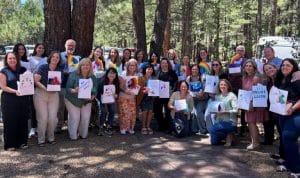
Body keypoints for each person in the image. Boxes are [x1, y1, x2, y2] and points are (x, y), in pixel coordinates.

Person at [274, 58, 300, 177]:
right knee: (284, 139)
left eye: (288, 65)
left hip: (295, 113)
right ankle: (289, 163)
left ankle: (297, 169)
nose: (284, 67)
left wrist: (293, 108)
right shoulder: (282, 80)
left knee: (289, 137)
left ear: (294, 67)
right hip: (282, 113)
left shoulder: (296, 79)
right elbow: (281, 97)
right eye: (283, 65)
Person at [0, 52, 30, 151]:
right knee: (10, 121)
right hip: (9, 100)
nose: (12, 60)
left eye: (14, 58)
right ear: (6, 60)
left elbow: (29, 81)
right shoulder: (3, 71)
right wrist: (15, 91)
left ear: (17, 60)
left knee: (22, 120)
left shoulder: (23, 70)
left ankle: (22, 142)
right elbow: (3, 87)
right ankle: (10, 144)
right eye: (10, 58)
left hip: (23, 99)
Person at [64, 58, 97, 140]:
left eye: (87, 65)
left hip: (86, 100)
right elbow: (68, 88)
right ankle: (73, 135)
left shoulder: (92, 77)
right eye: (83, 65)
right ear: (80, 66)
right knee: (75, 117)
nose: (85, 66)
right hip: (72, 99)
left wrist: (93, 96)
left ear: (90, 66)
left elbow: (95, 89)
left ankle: (83, 134)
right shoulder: (74, 74)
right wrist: (74, 90)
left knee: (85, 117)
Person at [33, 51, 62, 146]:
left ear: (59, 60)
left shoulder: (59, 69)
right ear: (50, 58)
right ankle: (41, 140)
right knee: (43, 118)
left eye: (57, 57)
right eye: (53, 56)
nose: (55, 58)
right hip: (41, 94)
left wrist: (59, 82)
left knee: (53, 118)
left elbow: (58, 83)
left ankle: (51, 138)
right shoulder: (43, 67)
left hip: (54, 95)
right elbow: (36, 81)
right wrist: (46, 88)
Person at [242, 59, 268, 150]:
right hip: (247, 103)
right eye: (246, 66)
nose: (248, 68)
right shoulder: (245, 77)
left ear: (254, 67)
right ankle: (255, 142)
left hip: (255, 104)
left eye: (250, 66)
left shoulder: (257, 77)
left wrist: (252, 104)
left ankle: (256, 143)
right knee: (250, 122)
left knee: (251, 122)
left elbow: (258, 91)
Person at [57, 39, 80, 133]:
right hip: (61, 85)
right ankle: (59, 125)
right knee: (60, 107)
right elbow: (55, 67)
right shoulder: (59, 56)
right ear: (65, 45)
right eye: (69, 45)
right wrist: (63, 72)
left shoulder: (77, 58)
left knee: (72, 106)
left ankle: (72, 126)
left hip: (73, 86)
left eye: (72, 46)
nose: (70, 47)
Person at [263, 62, 284, 163]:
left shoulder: (281, 80)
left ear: (275, 68)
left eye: (270, 68)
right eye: (266, 70)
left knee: (283, 134)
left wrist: (280, 107)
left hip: (282, 111)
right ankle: (282, 154)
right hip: (273, 111)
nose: (269, 70)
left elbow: (282, 96)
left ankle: (285, 157)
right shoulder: (269, 82)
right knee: (281, 133)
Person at [207, 79, 238, 146]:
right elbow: (216, 108)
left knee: (212, 129)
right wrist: (214, 111)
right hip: (219, 122)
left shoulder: (232, 96)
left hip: (230, 122)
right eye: (221, 85)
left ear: (228, 86)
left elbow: (236, 110)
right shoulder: (218, 96)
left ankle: (229, 134)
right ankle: (228, 135)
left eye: (224, 85)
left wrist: (225, 112)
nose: (223, 86)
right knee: (214, 143)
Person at [28, 43, 47, 138]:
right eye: (39, 47)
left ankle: (41, 127)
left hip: (43, 86)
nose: (41, 49)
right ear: (36, 48)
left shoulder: (46, 59)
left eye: (43, 48)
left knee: (42, 108)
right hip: (32, 86)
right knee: (33, 107)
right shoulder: (30, 59)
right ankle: (33, 127)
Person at [153, 58, 178, 132]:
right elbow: (154, 83)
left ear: (168, 64)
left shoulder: (172, 73)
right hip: (158, 95)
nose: (164, 64)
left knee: (168, 111)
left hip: (169, 95)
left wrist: (172, 92)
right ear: (160, 64)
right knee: (157, 111)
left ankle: (167, 126)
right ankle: (161, 125)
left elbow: (176, 83)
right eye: (163, 63)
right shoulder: (157, 72)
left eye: (166, 63)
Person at [228, 45, 247, 136]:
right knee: (234, 107)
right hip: (233, 86)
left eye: (241, 50)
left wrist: (239, 73)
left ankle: (243, 128)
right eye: (238, 50)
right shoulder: (232, 60)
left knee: (243, 108)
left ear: (244, 52)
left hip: (243, 87)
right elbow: (229, 72)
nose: (240, 52)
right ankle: (233, 127)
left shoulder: (246, 61)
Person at [97, 67, 120, 136]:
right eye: (110, 73)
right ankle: (101, 127)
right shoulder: (102, 82)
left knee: (112, 110)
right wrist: (104, 100)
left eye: (113, 73)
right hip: (102, 99)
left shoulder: (116, 82)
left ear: (116, 75)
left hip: (111, 100)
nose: (112, 75)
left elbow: (117, 92)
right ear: (107, 74)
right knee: (103, 111)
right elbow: (98, 94)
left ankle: (109, 126)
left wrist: (116, 95)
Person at [118, 59, 139, 134]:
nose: (132, 67)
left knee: (132, 113)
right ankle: (123, 128)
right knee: (124, 113)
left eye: (134, 65)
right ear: (127, 66)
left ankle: (130, 128)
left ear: (136, 66)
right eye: (130, 65)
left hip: (132, 97)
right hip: (123, 96)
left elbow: (136, 86)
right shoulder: (123, 74)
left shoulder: (137, 75)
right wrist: (125, 91)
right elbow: (120, 86)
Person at [186, 65, 208, 134]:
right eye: (193, 69)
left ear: (198, 70)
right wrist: (194, 94)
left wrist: (202, 93)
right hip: (193, 99)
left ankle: (203, 129)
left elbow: (205, 87)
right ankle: (194, 129)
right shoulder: (188, 78)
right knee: (192, 112)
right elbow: (187, 89)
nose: (194, 71)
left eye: (196, 69)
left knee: (198, 112)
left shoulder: (203, 77)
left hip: (202, 99)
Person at [136, 64, 156, 135]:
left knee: (150, 111)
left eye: (151, 69)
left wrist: (153, 92)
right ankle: (143, 127)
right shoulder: (141, 78)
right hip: (143, 97)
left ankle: (148, 126)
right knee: (145, 111)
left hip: (151, 97)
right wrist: (144, 91)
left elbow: (156, 90)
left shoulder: (154, 79)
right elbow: (138, 89)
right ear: (145, 70)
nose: (149, 70)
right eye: (148, 69)